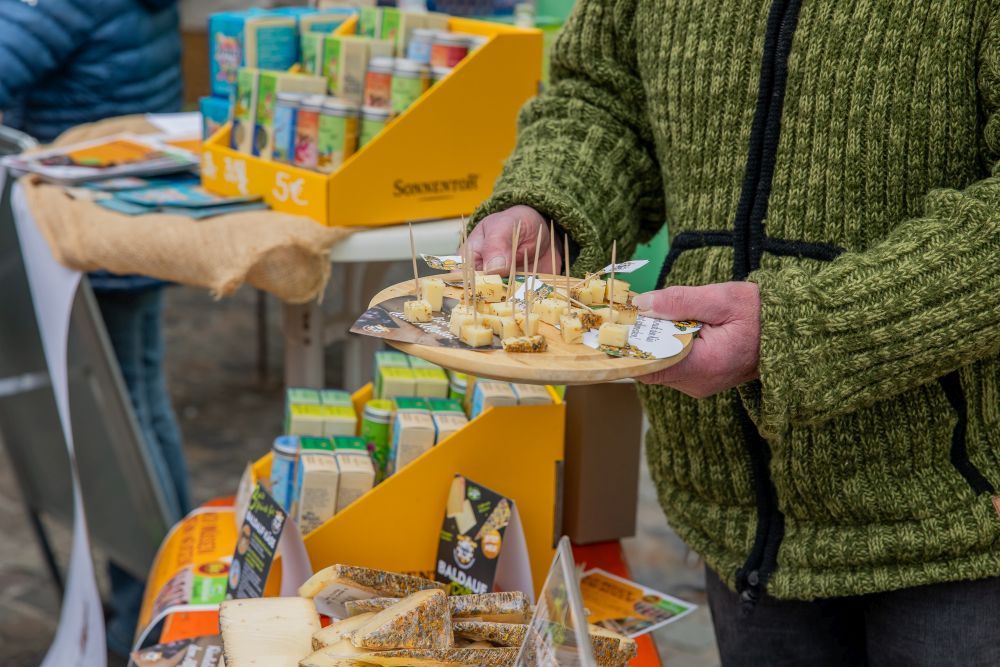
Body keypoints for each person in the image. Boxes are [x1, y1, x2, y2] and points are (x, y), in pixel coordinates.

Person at [467, 2, 1000, 664]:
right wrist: (547, 204)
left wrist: (802, 329)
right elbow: (604, 98)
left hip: (962, 533)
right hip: (734, 511)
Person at [0, 0, 189, 658]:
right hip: (129, 216)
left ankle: (149, 604)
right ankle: (170, 585)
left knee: (120, 428)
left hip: (90, 232)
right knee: (141, 405)